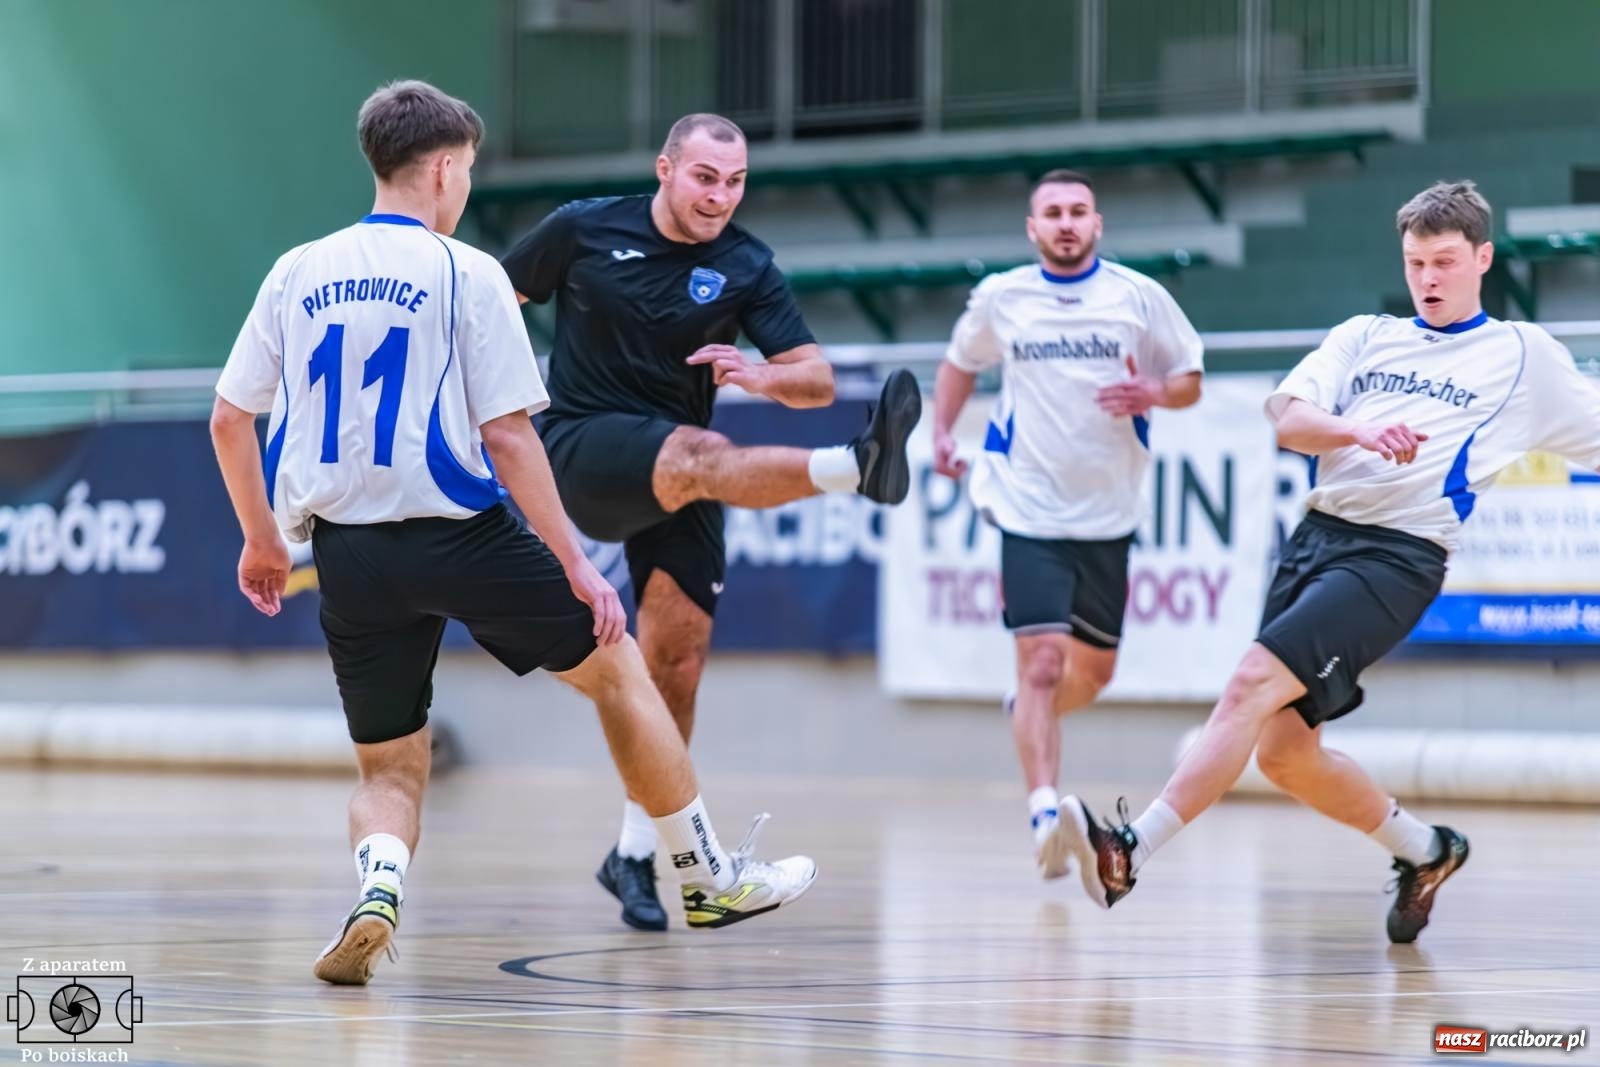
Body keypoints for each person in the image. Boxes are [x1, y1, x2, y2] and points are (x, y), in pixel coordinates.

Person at [209, 81, 817, 986]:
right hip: (463, 538)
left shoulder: (295, 270)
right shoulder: (466, 271)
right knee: (619, 671)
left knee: (388, 766)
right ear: (443, 170)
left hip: (348, 553)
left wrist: (262, 541)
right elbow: (509, 436)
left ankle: (379, 885)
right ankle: (706, 875)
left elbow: (229, 419)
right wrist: (576, 561)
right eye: (466, 171)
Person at [1063, 180, 1600, 943]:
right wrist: (1358, 430)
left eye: (1445, 262)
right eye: (1415, 262)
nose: (1428, 279)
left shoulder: (1522, 356)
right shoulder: (1365, 335)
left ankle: (1128, 851)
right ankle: (1427, 849)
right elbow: (1289, 420)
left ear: (1483, 258)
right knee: (1285, 754)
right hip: (1315, 539)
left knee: (1249, 682)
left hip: (1398, 556)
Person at [499, 112, 921, 930]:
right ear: (665, 169)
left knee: (676, 665)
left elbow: (817, 379)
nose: (720, 197)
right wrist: (490, 392)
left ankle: (637, 853)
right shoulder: (584, 229)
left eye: (735, 182)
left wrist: (763, 376)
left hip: (678, 479)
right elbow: (489, 299)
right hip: (584, 446)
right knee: (705, 452)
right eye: (704, 178)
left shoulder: (745, 264)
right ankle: (855, 468)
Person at [930, 169, 1204, 881]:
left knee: (1093, 672)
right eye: (1052, 212)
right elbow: (959, 362)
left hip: (1109, 512)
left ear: (1097, 223)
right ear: (1033, 228)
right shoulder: (1003, 297)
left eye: (1078, 211)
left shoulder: (1138, 296)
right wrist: (941, 431)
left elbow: (1190, 379)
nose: (1066, 222)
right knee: (1043, 663)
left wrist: (1153, 391)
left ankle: (1026, 709)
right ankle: (1045, 818)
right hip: (1026, 505)